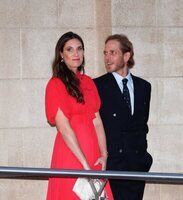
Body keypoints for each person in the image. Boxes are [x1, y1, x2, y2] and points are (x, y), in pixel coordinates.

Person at [45, 31, 113, 200]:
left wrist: (104, 155)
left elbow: (97, 122)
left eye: (79, 49)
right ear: (61, 55)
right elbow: (64, 128)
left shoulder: (88, 82)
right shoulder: (55, 84)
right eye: (69, 49)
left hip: (93, 155)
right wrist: (83, 164)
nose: (76, 53)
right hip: (71, 155)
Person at [94, 34, 153, 200]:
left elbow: (142, 125)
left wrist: (144, 158)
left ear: (126, 56)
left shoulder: (144, 87)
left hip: (137, 165)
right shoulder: (97, 86)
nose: (107, 58)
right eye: (105, 53)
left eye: (113, 52)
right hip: (113, 166)